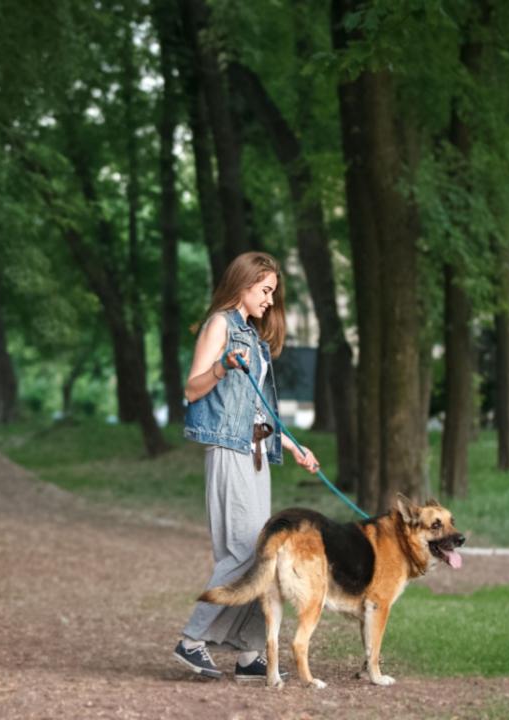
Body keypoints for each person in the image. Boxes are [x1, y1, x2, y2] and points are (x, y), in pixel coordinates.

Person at [172, 251, 320, 682]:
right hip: (228, 450)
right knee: (243, 551)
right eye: (265, 291)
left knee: (265, 553)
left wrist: (294, 446)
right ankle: (192, 640)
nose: (270, 301)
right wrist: (221, 366)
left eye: (273, 293)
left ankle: (250, 652)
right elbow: (192, 388)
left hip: (256, 453)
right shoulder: (220, 324)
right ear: (244, 284)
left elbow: (260, 406)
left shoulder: (254, 338)